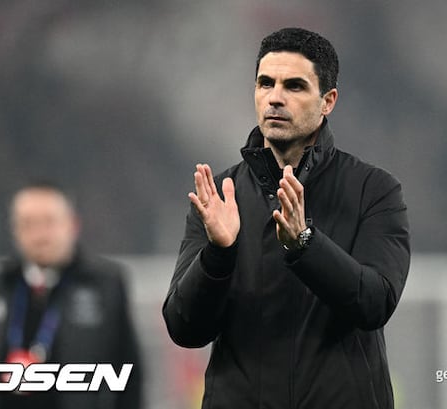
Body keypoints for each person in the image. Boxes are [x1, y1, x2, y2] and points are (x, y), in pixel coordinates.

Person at [162, 27, 410, 409]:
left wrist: (306, 244)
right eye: (266, 83)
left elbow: (375, 303)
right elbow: (184, 328)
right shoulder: (220, 196)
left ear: (328, 101)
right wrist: (217, 255)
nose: (275, 97)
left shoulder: (373, 190)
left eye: (294, 86)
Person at [0, 182, 142, 409]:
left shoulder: (103, 285)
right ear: (14, 230)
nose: (39, 235)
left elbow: (129, 372)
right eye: (28, 224)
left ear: (73, 225)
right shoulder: (0, 285)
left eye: (49, 222)